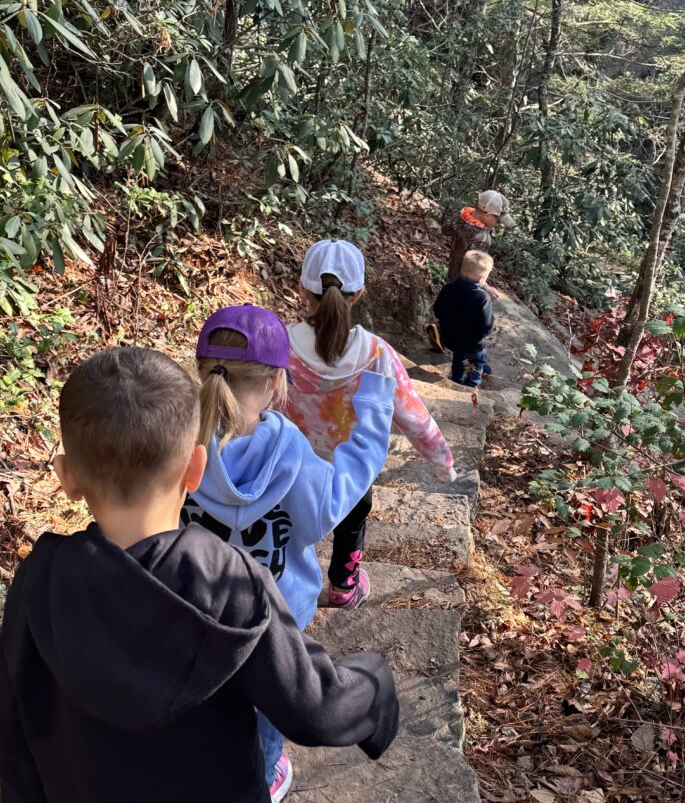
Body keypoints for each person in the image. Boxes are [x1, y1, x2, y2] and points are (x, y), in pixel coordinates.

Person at [0, 346, 399, 803]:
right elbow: (315, 707)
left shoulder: (39, 581)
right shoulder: (230, 581)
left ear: (66, 477)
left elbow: (11, 725)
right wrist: (373, 684)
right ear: (195, 468)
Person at [187, 303, 397, 801]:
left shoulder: (175, 435)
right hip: (275, 612)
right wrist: (374, 407)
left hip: (194, 600)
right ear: (278, 381)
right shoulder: (288, 448)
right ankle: (264, 776)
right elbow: (330, 507)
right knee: (268, 699)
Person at [284, 238, 457, 612]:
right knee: (352, 519)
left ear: (302, 288)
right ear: (359, 293)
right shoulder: (377, 353)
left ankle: (286, 581)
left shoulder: (279, 343)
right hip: (351, 471)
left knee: (287, 524)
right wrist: (443, 465)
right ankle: (344, 587)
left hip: (289, 465)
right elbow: (414, 416)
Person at [434, 250, 495, 388]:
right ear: (481, 278)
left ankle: (457, 380)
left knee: (459, 357)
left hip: (451, 339)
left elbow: (438, 311)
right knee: (479, 359)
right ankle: (472, 384)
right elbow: (486, 326)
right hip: (473, 344)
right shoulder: (482, 297)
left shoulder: (448, 288)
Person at [441, 189, 512, 285]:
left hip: (451, 274)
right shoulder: (483, 238)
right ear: (487, 216)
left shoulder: (462, 216)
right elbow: (476, 270)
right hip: (465, 286)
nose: (498, 224)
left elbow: (445, 230)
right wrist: (486, 287)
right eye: (498, 221)